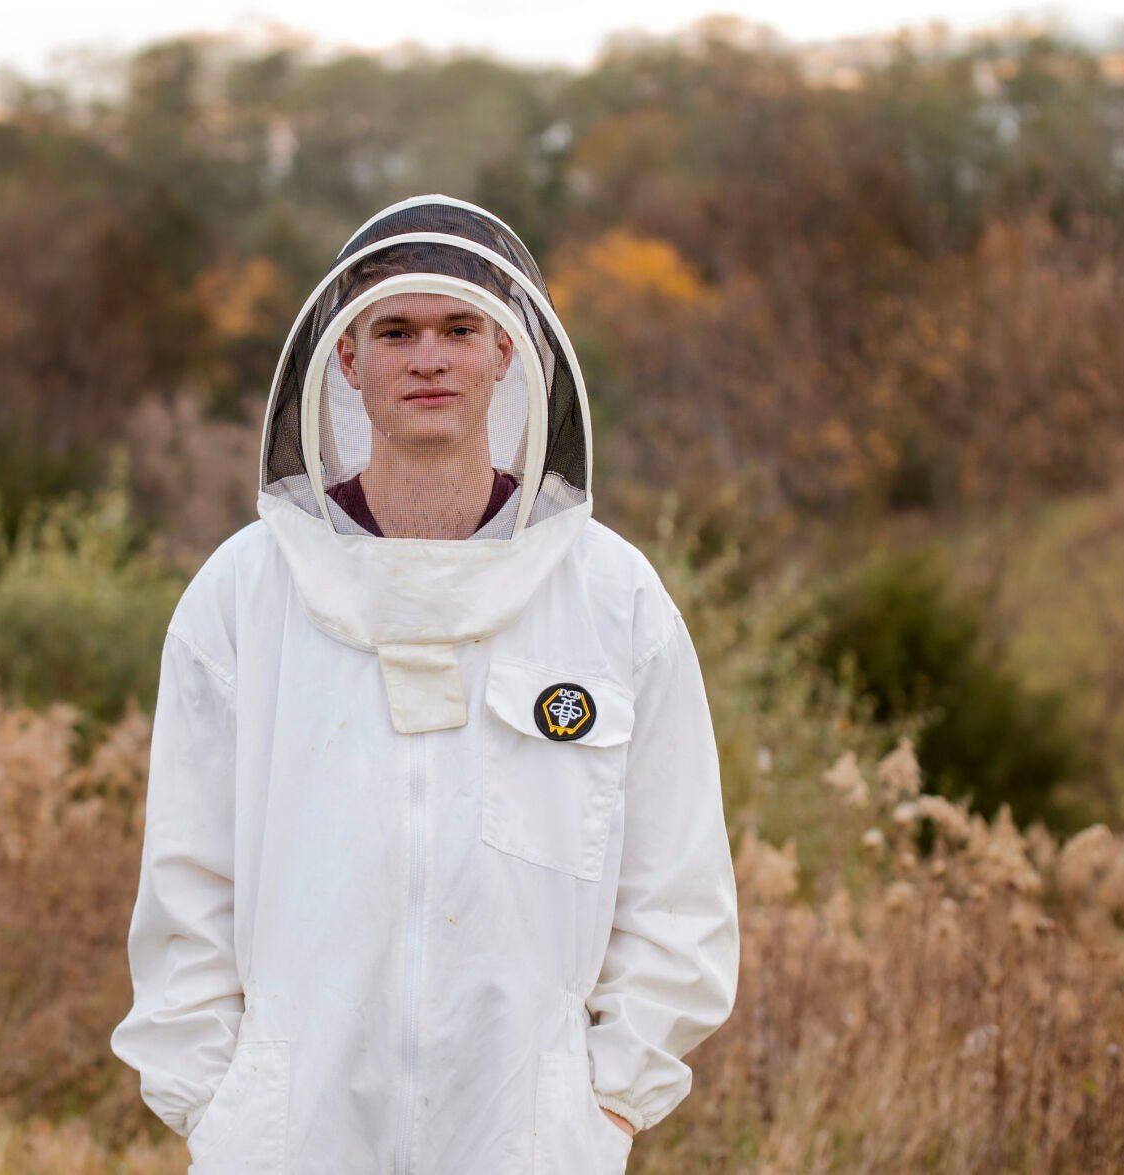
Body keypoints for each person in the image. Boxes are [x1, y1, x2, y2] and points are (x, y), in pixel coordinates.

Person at [110, 195, 739, 1174]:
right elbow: (187, 884)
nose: (428, 358)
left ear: (506, 352)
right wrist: (217, 1108)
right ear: (348, 362)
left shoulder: (613, 599)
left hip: (526, 1145)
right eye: (394, 332)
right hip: (289, 1140)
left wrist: (602, 1108)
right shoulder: (243, 592)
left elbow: (677, 896)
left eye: (457, 329)